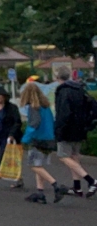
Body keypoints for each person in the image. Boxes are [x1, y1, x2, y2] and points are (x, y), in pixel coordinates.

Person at [19, 82, 69, 204]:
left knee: (34, 165)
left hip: (38, 139)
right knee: (39, 165)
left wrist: (25, 139)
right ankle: (40, 191)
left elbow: (33, 124)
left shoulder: (33, 107)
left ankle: (56, 185)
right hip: (49, 139)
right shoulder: (45, 106)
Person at [53, 66, 97, 198]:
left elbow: (63, 113)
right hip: (80, 128)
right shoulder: (80, 89)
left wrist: (59, 130)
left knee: (63, 156)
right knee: (74, 156)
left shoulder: (63, 91)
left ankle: (91, 181)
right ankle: (77, 187)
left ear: (57, 77)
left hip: (67, 129)